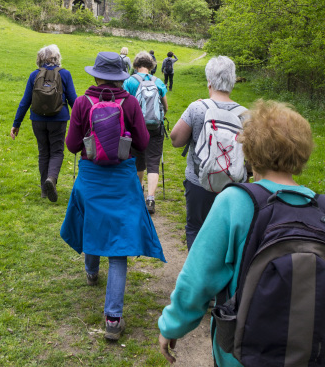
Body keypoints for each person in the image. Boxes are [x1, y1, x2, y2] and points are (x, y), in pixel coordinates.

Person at [158, 99, 316, 366]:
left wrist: (172, 326)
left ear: (248, 149)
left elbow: (198, 278)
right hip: (308, 349)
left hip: (244, 351)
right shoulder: (319, 207)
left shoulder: (236, 202)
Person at [61, 51, 165, 341]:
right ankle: (113, 318)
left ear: (95, 75)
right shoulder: (129, 103)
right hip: (122, 179)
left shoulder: (82, 103)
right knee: (119, 246)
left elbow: (71, 145)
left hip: (91, 179)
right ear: (120, 77)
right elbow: (143, 143)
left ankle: (91, 271)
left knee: (93, 222)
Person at [170, 56, 246, 250]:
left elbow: (176, 140)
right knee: (227, 234)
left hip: (199, 181)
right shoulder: (246, 115)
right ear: (233, 81)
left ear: (209, 81)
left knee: (196, 227)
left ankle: (197, 276)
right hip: (234, 186)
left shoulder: (197, 108)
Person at [10, 44, 77, 202]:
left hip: (38, 119)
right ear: (57, 58)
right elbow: (74, 100)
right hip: (58, 119)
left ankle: (44, 190)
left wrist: (16, 123)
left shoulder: (34, 75)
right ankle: (51, 179)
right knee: (56, 151)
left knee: (43, 152)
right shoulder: (64, 74)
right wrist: (81, 120)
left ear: (40, 59)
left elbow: (25, 101)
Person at [123, 51, 168, 215]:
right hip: (156, 127)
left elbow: (125, 105)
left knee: (138, 160)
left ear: (135, 65)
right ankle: (150, 198)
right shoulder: (159, 82)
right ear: (151, 66)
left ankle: (137, 193)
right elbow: (165, 107)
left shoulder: (129, 81)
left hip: (137, 126)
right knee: (153, 162)